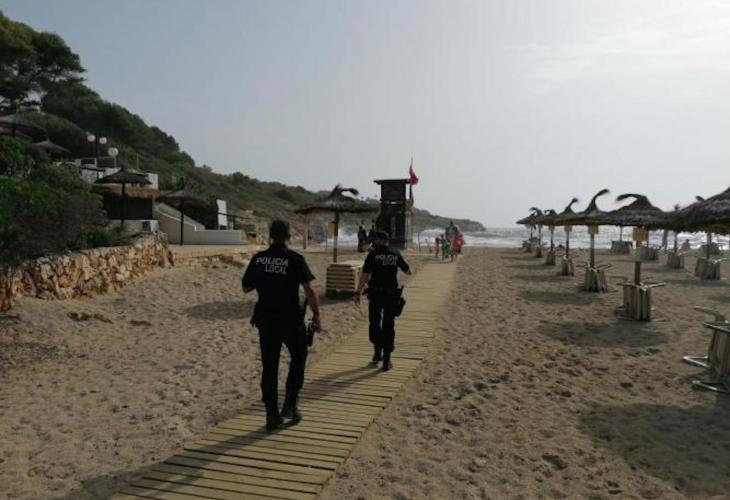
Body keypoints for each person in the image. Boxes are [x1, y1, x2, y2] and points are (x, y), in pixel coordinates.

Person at [242, 220, 322, 431]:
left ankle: (271, 415)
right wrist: (316, 316)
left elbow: (246, 287)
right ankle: (290, 405)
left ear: (270, 236)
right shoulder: (295, 259)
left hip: (266, 319)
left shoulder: (259, 259)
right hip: (290, 318)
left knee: (270, 366)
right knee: (298, 357)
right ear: (288, 236)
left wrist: (266, 280)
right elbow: (309, 290)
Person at [354, 230, 411, 371]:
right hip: (391, 295)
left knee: (374, 323)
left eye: (375, 239)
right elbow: (408, 271)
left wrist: (358, 292)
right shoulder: (395, 253)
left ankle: (377, 352)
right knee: (388, 326)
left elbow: (365, 276)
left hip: (376, 295)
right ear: (387, 241)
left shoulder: (372, 255)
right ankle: (386, 360)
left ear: (378, 240)